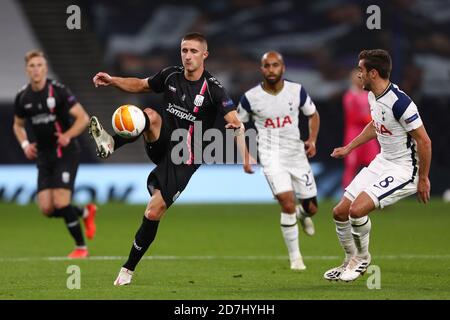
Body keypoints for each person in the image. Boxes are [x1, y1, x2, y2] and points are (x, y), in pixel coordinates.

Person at [89, 32, 255, 286]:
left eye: (193, 51)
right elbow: (140, 84)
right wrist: (113, 80)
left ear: (204, 55)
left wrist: (243, 151)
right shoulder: (170, 75)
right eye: (184, 50)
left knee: (153, 212)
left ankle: (128, 268)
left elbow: (233, 119)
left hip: (185, 156)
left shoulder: (213, 88)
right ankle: (110, 143)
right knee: (149, 115)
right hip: (162, 142)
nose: (188, 56)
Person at [324, 49, 432, 282]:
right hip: (382, 161)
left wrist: (423, 178)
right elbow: (374, 126)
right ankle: (348, 260)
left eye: (361, 70)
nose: (358, 75)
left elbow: (424, 141)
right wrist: (349, 148)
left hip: (403, 169)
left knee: (356, 210)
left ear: (373, 73)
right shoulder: (373, 94)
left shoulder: (401, 103)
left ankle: (362, 259)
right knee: (339, 212)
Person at [237, 51, 320, 271]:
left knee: (311, 208)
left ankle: (304, 215)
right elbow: (237, 125)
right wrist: (245, 154)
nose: (271, 69)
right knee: (286, 201)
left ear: (283, 68)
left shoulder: (297, 91)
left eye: (275, 65)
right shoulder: (250, 97)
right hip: (271, 155)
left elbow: (313, 114)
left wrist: (312, 139)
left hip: (296, 154)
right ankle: (296, 258)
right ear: (261, 69)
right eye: (267, 66)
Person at [13, 50, 97, 259]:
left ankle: (81, 248)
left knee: (61, 202)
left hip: (65, 151)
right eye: (32, 66)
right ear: (27, 70)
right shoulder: (23, 97)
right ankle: (85, 212)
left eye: (40, 65)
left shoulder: (57, 91)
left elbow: (83, 118)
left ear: (45, 68)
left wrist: (67, 135)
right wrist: (24, 144)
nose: (36, 69)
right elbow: (17, 125)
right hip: (43, 154)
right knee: (47, 208)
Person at [341, 69, 379, 189]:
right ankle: (346, 195)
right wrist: (370, 119)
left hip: (368, 134)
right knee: (351, 165)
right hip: (354, 134)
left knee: (376, 163)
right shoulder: (349, 96)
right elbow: (353, 116)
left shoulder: (368, 94)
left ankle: (378, 193)